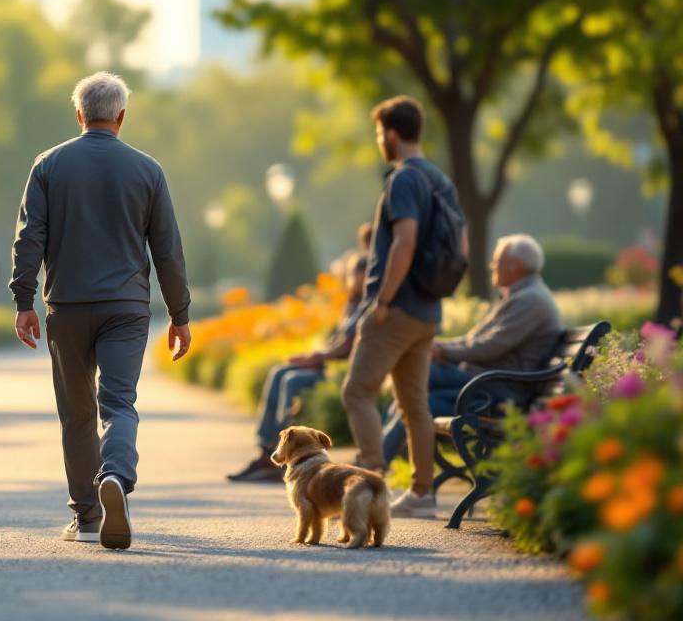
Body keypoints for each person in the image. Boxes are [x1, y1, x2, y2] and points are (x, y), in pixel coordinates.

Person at [10, 71, 191, 550]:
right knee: (119, 404)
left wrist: (23, 300)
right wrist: (180, 314)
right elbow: (167, 250)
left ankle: (88, 517)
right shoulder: (147, 170)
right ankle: (115, 475)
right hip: (126, 308)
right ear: (122, 116)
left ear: (79, 115)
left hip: (66, 306)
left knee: (76, 414)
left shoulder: (48, 165)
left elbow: (30, 239)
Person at [343, 95, 464, 520]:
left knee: (357, 392)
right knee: (415, 405)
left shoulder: (405, 180)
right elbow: (460, 245)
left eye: (379, 133)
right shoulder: (440, 180)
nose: (380, 141)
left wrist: (385, 300)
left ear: (392, 134)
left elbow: (405, 241)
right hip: (428, 311)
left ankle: (370, 483)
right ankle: (423, 493)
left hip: (396, 309)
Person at [381, 234, 562, 463]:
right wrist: (435, 346)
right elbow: (473, 340)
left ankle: (374, 460)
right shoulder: (521, 295)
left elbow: (490, 347)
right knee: (413, 394)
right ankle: (376, 458)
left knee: (417, 376)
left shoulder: (530, 300)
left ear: (515, 266)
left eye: (497, 261)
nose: (491, 265)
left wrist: (442, 352)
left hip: (498, 391)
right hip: (486, 384)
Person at [227, 226, 372, 483]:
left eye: (356, 274)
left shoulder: (367, 306)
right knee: (280, 372)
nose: (351, 279)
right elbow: (336, 340)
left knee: (292, 380)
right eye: (351, 274)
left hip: (341, 372)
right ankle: (267, 451)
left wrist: (315, 358)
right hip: (328, 365)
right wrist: (313, 355)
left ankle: (282, 453)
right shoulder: (351, 304)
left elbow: (348, 347)